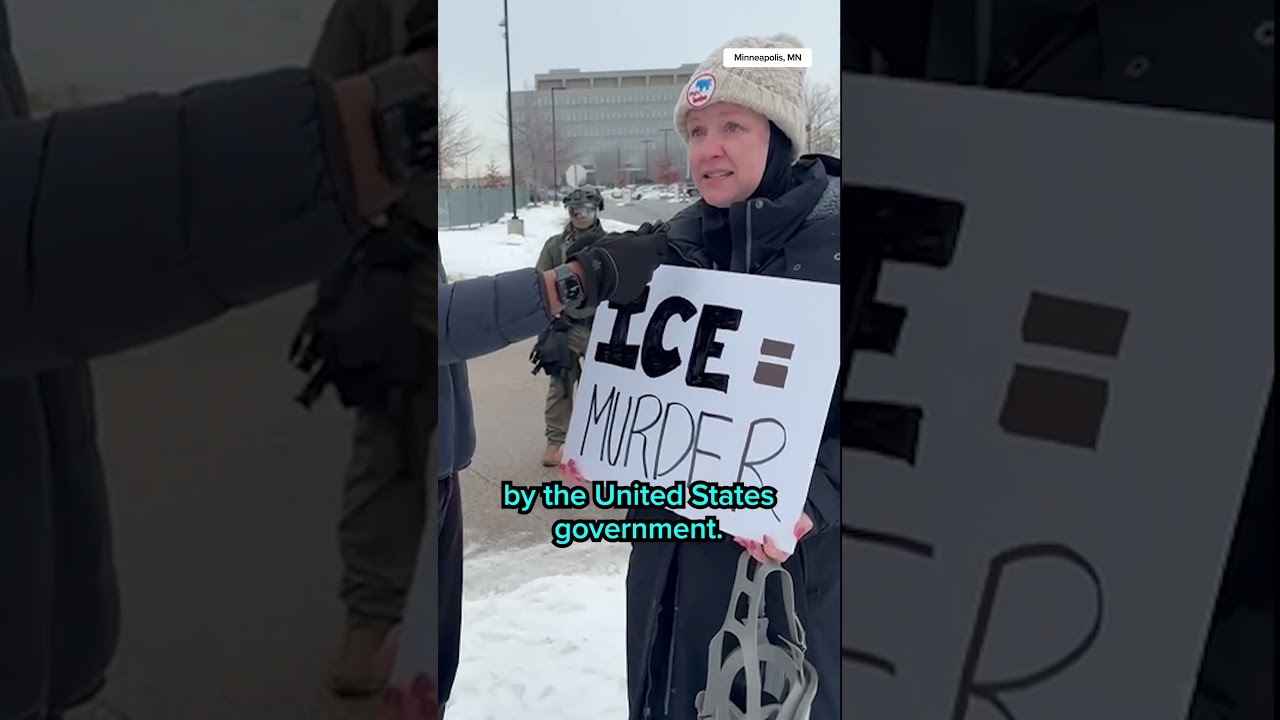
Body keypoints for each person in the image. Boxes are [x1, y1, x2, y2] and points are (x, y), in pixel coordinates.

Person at [560, 33, 841, 720]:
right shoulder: (670, 251)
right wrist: (609, 455)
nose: (706, 148)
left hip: (788, 591)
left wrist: (816, 496)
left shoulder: (841, 247)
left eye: (731, 127)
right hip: (666, 586)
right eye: (694, 131)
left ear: (780, 137)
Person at [304, 0, 434, 697]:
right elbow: (322, 105)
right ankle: (374, 617)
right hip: (404, 255)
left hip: (516, 257)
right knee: (391, 447)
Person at [533, 186, 607, 466]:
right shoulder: (555, 245)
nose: (579, 215)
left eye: (586, 209)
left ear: (597, 210)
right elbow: (540, 282)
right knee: (561, 383)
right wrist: (552, 320)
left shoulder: (611, 243)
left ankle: (602, 441)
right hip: (567, 325)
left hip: (602, 327)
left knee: (605, 387)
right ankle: (556, 440)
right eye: (574, 210)